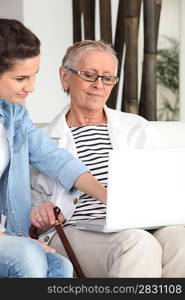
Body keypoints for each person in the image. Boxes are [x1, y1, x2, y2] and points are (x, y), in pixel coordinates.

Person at [30, 40, 185, 278]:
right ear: (64, 76)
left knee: (180, 240)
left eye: (108, 77)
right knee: (138, 244)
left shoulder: (137, 128)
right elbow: (24, 207)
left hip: (141, 225)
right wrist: (41, 213)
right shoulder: (41, 141)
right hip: (74, 230)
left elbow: (167, 185)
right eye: (89, 75)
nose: (98, 85)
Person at [0, 20, 107, 278]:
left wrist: (108, 196)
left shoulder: (14, 114)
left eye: (35, 73)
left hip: (8, 231)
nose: (32, 86)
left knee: (61, 266)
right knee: (29, 257)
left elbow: (55, 158)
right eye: (21, 78)